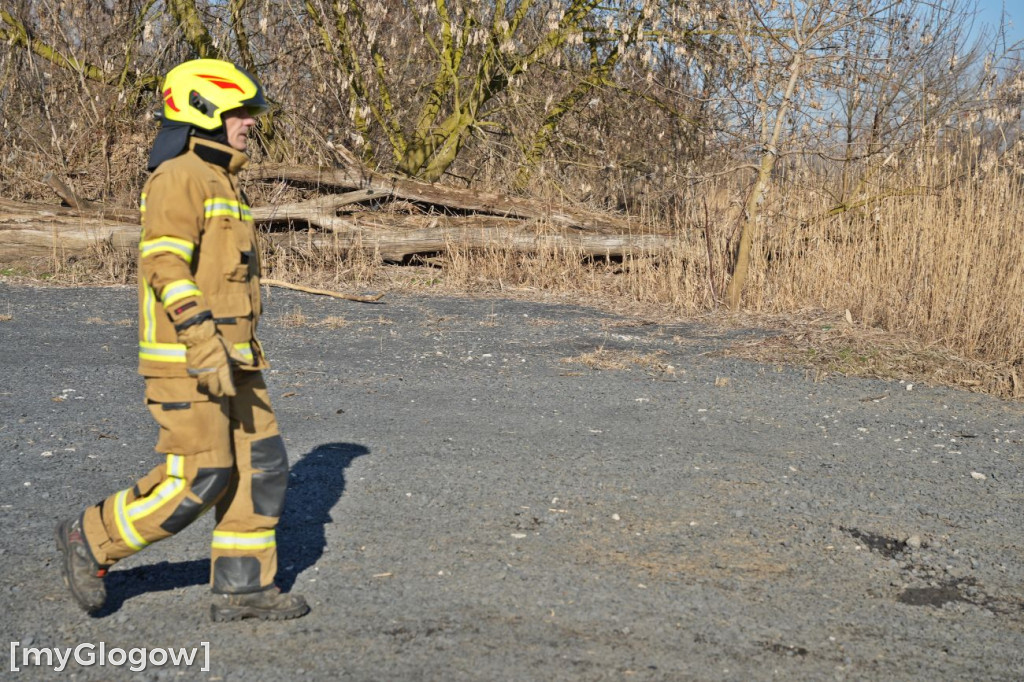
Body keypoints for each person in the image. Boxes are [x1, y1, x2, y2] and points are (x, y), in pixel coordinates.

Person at [55, 58, 309, 622]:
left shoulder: (223, 179)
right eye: (240, 112)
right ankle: (91, 537)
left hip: (236, 360)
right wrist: (198, 339)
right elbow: (164, 264)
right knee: (201, 476)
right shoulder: (179, 177)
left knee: (261, 467)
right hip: (189, 360)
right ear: (205, 111)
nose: (250, 123)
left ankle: (244, 591)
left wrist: (228, 350)